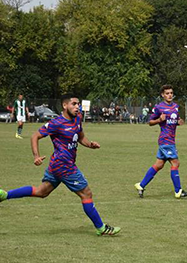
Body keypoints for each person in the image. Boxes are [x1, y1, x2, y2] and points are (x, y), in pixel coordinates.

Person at [0, 94, 121, 236]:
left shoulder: (77, 119)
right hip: (65, 166)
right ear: (65, 106)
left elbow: (80, 136)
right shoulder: (56, 123)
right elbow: (35, 136)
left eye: (78, 104)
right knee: (86, 194)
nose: (77, 107)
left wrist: (90, 144)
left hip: (56, 165)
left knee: (41, 192)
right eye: (74, 104)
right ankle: (101, 228)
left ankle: (5, 195)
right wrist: (36, 156)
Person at [134, 85, 187, 199]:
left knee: (159, 165)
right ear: (162, 95)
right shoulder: (159, 107)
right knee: (175, 163)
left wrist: (178, 122)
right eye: (167, 93)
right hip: (165, 140)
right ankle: (178, 191)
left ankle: (141, 185)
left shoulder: (175, 107)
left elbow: (174, 121)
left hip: (171, 140)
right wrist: (159, 120)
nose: (170, 95)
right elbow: (150, 122)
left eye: (171, 93)